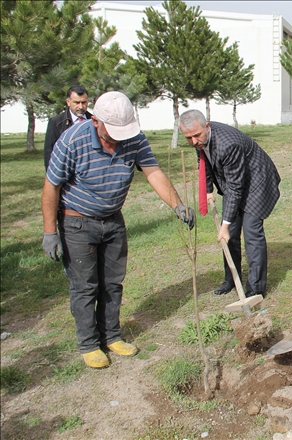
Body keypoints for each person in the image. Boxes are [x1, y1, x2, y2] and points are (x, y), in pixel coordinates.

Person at [41, 91, 195, 369]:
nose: (118, 139)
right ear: (96, 121)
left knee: (112, 282)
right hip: (77, 222)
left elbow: (153, 172)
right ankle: (89, 343)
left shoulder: (134, 138)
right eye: (112, 132)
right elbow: (51, 185)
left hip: (112, 220)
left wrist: (177, 205)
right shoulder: (72, 140)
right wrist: (50, 231)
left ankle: (111, 336)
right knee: (85, 285)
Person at [179, 109, 281, 298]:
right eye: (188, 138)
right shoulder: (200, 139)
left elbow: (235, 188)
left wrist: (225, 225)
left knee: (252, 232)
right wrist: (208, 188)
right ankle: (231, 279)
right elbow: (205, 161)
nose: (194, 141)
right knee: (230, 234)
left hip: (257, 181)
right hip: (236, 181)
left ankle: (255, 288)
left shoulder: (228, 144)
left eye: (196, 135)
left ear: (206, 126)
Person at [43, 85, 92, 170]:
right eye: (76, 102)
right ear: (68, 102)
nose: (80, 106)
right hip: (65, 172)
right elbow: (49, 152)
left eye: (84, 102)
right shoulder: (56, 122)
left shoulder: (94, 121)